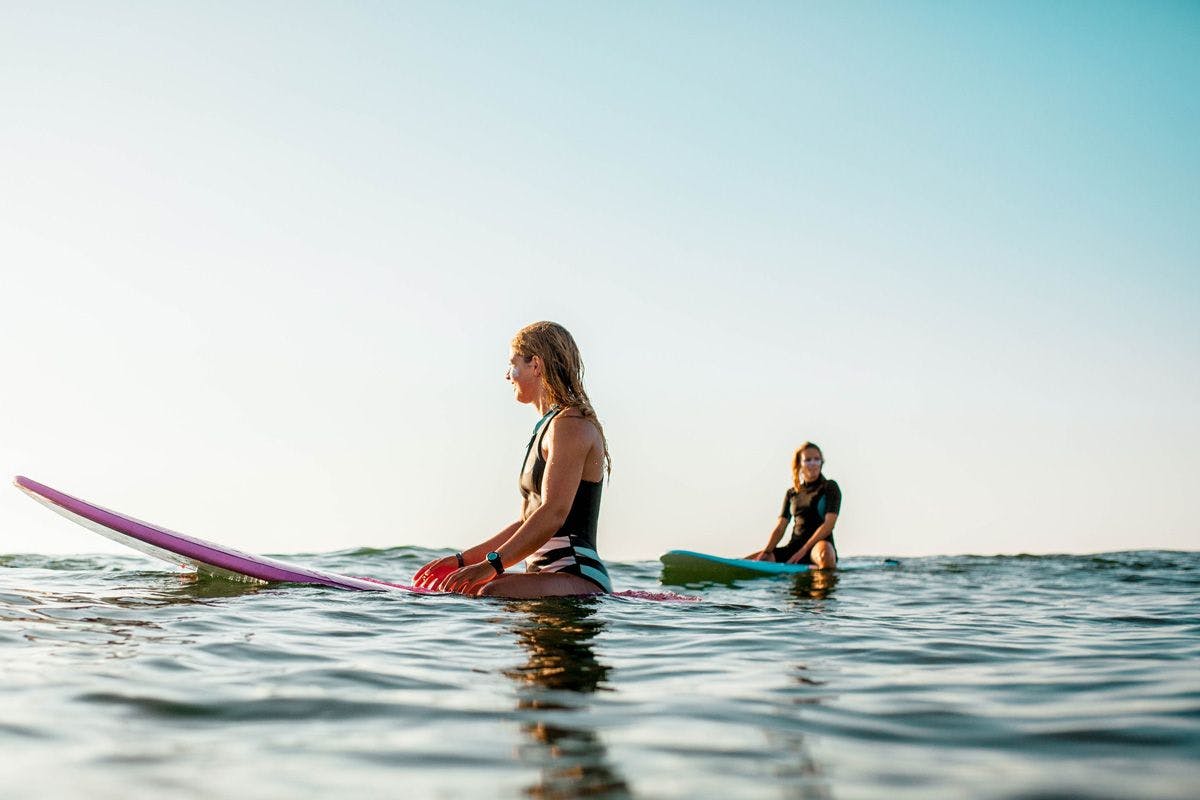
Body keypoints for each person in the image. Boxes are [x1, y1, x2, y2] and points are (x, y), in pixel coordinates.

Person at [413, 321, 613, 597]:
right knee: (478, 587)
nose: (508, 376)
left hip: (577, 574)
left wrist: (490, 566)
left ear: (536, 366)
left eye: (512, 364)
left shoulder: (571, 424)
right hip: (544, 575)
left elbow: (554, 512)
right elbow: (525, 521)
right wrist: (463, 561)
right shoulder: (547, 426)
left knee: (490, 590)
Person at [749, 442, 841, 568]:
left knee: (825, 554)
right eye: (808, 460)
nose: (813, 463)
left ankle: (822, 579)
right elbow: (781, 526)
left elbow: (829, 524)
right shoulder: (792, 493)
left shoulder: (830, 487)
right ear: (799, 464)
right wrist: (767, 551)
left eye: (817, 459)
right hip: (793, 548)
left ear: (822, 462)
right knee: (751, 561)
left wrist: (804, 550)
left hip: (818, 547)